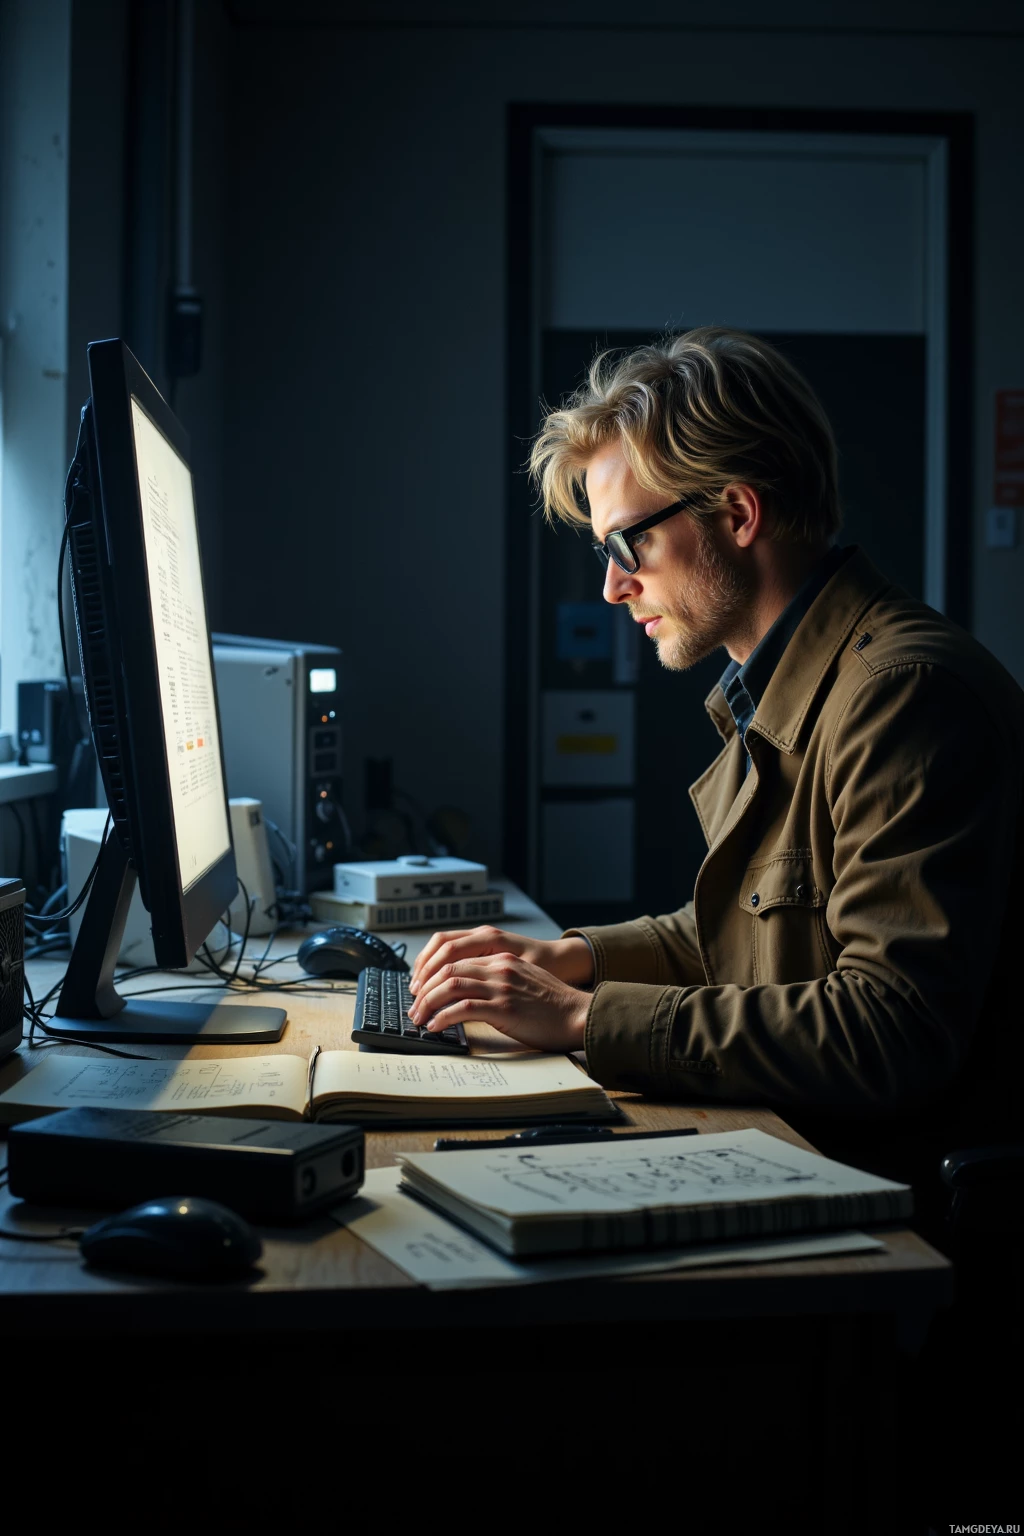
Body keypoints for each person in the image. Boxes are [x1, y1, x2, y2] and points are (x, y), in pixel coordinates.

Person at [408, 327, 1024, 1226]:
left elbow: (890, 1032)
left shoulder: (902, 693)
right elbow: (748, 935)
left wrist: (584, 1020)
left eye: (629, 548)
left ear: (736, 515)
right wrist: (569, 959)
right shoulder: (787, 681)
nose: (616, 589)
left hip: (905, 1217)